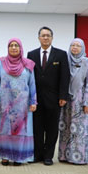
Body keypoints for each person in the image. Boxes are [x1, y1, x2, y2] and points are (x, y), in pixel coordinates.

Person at [0, 38, 37, 166]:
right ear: (8, 48)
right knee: (4, 130)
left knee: (21, 131)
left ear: (20, 48)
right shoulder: (0, 62)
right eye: (11, 45)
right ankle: (4, 156)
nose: (14, 48)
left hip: (23, 105)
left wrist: (34, 102)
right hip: (4, 104)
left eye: (16, 45)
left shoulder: (28, 63)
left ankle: (19, 157)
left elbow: (32, 83)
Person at [27, 26, 69, 166]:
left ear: (52, 38)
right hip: (36, 99)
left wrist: (63, 96)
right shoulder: (31, 54)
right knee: (37, 128)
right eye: (43, 35)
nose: (45, 38)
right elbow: (28, 77)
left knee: (52, 129)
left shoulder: (61, 54)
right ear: (38, 38)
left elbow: (65, 77)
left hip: (54, 98)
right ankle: (38, 154)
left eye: (48, 35)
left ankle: (48, 156)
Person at [57, 38, 88, 165]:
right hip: (66, 100)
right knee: (65, 128)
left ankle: (78, 157)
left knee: (79, 130)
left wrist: (87, 103)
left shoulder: (87, 62)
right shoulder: (65, 61)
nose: (75, 47)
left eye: (78, 45)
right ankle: (64, 156)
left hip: (80, 101)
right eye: (72, 45)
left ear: (82, 48)